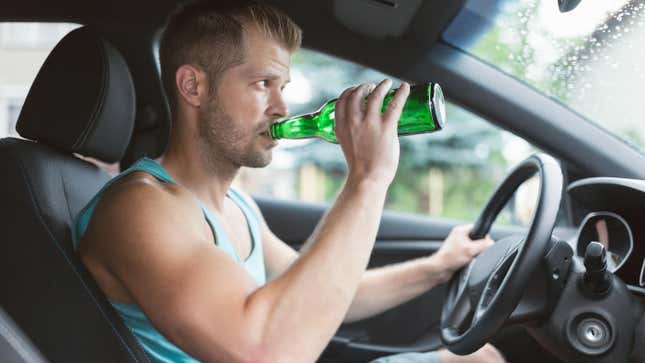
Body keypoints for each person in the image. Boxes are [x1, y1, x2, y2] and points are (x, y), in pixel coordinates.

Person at [73, 1, 505, 362]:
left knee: (479, 358)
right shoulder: (139, 208)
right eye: (263, 83)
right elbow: (266, 352)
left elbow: (327, 294)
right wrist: (368, 178)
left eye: (284, 86)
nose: (282, 107)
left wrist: (438, 266)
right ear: (194, 86)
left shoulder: (236, 204)